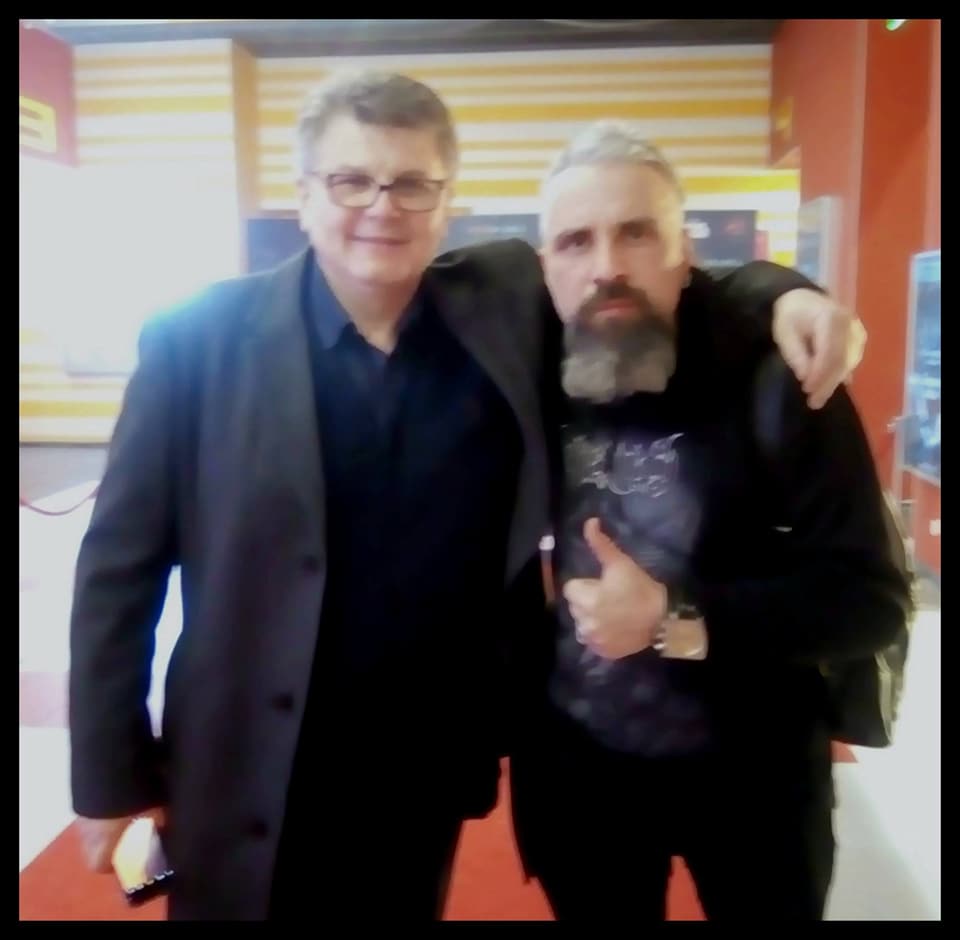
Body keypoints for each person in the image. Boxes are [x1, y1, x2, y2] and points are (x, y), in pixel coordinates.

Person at [68, 71, 864, 921]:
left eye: (413, 183)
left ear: (447, 203)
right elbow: (119, 567)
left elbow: (648, 272)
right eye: (351, 180)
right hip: (246, 755)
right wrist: (109, 774)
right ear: (303, 196)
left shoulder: (499, 309)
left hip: (420, 765)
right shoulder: (196, 341)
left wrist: (788, 292)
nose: (383, 207)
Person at [507, 121, 915, 922]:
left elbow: (870, 601)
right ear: (546, 266)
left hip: (754, 781)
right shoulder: (525, 364)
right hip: (581, 783)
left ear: (682, 252)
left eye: (637, 232)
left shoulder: (779, 379)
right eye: (576, 241)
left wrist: (674, 617)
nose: (607, 265)